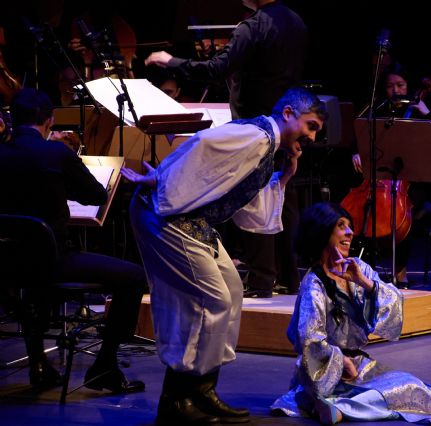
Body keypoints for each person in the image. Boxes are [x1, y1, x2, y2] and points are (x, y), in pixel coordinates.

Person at [122, 88, 327, 425]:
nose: (311, 136)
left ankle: (203, 388)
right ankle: (177, 398)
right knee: (210, 298)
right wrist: (163, 177)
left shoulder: (264, 144)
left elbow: (247, 202)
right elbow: (203, 145)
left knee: (231, 289)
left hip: (187, 219)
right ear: (288, 113)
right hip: (164, 215)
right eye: (311, 125)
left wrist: (285, 176)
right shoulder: (257, 136)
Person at [271, 202, 431, 424]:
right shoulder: (314, 284)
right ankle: (337, 405)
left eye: (349, 226)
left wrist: (364, 282)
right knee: (400, 393)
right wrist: (340, 361)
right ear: (322, 233)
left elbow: (393, 300)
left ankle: (338, 407)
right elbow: (309, 339)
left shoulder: (358, 267)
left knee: (416, 388)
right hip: (324, 369)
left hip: (357, 364)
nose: (350, 232)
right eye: (341, 225)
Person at [145, 0, 307, 298]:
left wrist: (170, 61)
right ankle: (289, 277)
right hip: (287, 118)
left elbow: (215, 68)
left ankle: (261, 280)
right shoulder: (295, 20)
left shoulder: (254, 25)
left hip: (256, 123)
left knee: (255, 196)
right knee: (284, 195)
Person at [0, 88, 145, 392]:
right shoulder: (56, 153)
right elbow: (95, 195)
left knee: (32, 276)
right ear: (49, 121)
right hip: (54, 262)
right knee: (133, 277)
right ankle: (104, 366)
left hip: (8, 265)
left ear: (12, 119)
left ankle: (39, 363)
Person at [350, 63, 431, 285]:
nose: (396, 91)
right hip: (379, 180)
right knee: (365, 211)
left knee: (402, 215)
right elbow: (359, 135)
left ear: (409, 86)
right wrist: (357, 153)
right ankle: (363, 269)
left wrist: (427, 113)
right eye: (390, 86)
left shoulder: (420, 111)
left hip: (413, 182)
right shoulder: (378, 110)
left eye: (400, 85)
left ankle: (400, 272)